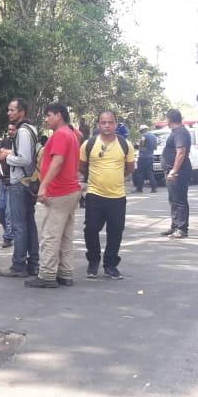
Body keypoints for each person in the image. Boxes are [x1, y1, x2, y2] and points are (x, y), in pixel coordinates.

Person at [25, 103, 79, 288]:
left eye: (48, 115)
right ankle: (65, 273)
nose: (46, 119)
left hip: (59, 191)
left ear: (58, 115)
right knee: (65, 235)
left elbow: (57, 161)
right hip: (71, 190)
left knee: (51, 234)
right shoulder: (71, 134)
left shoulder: (60, 135)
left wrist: (43, 186)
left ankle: (47, 275)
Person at [79, 111, 135, 280]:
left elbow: (130, 168)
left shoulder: (126, 145)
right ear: (98, 125)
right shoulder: (88, 145)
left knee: (115, 232)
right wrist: (95, 178)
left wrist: (115, 177)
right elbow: (82, 167)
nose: (107, 125)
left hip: (117, 197)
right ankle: (93, 261)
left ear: (116, 124)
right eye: (103, 122)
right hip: (95, 194)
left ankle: (110, 265)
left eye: (110, 122)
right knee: (91, 229)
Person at [0, 98, 40, 278]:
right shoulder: (31, 129)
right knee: (29, 224)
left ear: (22, 113)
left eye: (13, 110)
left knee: (19, 225)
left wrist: (5, 158)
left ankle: (19, 265)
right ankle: (33, 263)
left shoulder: (22, 131)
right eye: (9, 110)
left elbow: (25, 159)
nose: (9, 113)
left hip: (20, 182)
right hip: (28, 182)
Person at [161, 108, 191, 239]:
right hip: (173, 171)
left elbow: (181, 153)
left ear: (170, 120)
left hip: (179, 172)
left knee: (179, 200)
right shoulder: (176, 132)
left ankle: (182, 228)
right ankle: (175, 226)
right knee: (173, 199)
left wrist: (174, 171)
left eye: (166, 119)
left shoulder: (180, 132)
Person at [0, 123, 16, 248]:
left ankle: (8, 236)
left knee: (9, 211)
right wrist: (3, 153)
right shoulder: (5, 141)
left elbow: (19, 155)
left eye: (13, 129)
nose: (11, 131)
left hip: (14, 181)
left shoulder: (19, 142)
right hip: (2, 179)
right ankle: (9, 230)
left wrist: (5, 153)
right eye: (9, 129)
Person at [134, 124, 158, 193]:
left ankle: (139, 188)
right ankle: (154, 187)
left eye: (140, 131)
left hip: (143, 157)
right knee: (149, 172)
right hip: (151, 156)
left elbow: (142, 146)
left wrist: (138, 147)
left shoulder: (143, 136)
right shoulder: (153, 136)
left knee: (140, 173)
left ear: (143, 130)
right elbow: (155, 147)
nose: (140, 132)